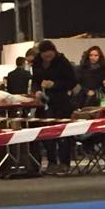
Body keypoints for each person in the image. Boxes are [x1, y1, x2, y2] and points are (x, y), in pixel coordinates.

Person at [31, 40, 77, 173]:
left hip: (62, 102)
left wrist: (54, 84)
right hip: (44, 104)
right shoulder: (37, 62)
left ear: (54, 51)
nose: (47, 58)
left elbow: (72, 81)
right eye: (45, 56)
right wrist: (36, 90)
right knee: (47, 133)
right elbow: (35, 80)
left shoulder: (63, 61)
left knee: (63, 133)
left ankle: (64, 162)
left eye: (50, 56)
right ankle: (51, 162)